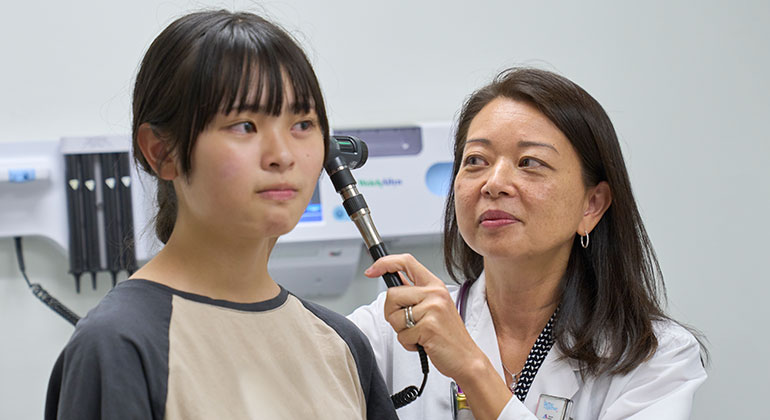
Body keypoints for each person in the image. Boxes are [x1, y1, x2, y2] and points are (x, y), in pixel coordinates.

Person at [45, 10, 397, 420]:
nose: (282, 155)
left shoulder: (341, 343)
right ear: (162, 152)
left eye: (302, 124)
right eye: (244, 126)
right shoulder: (120, 346)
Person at [349, 67, 707, 419]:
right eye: (475, 161)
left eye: (529, 162)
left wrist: (472, 369)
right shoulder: (388, 329)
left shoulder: (656, 358)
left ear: (592, 204)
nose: (495, 182)